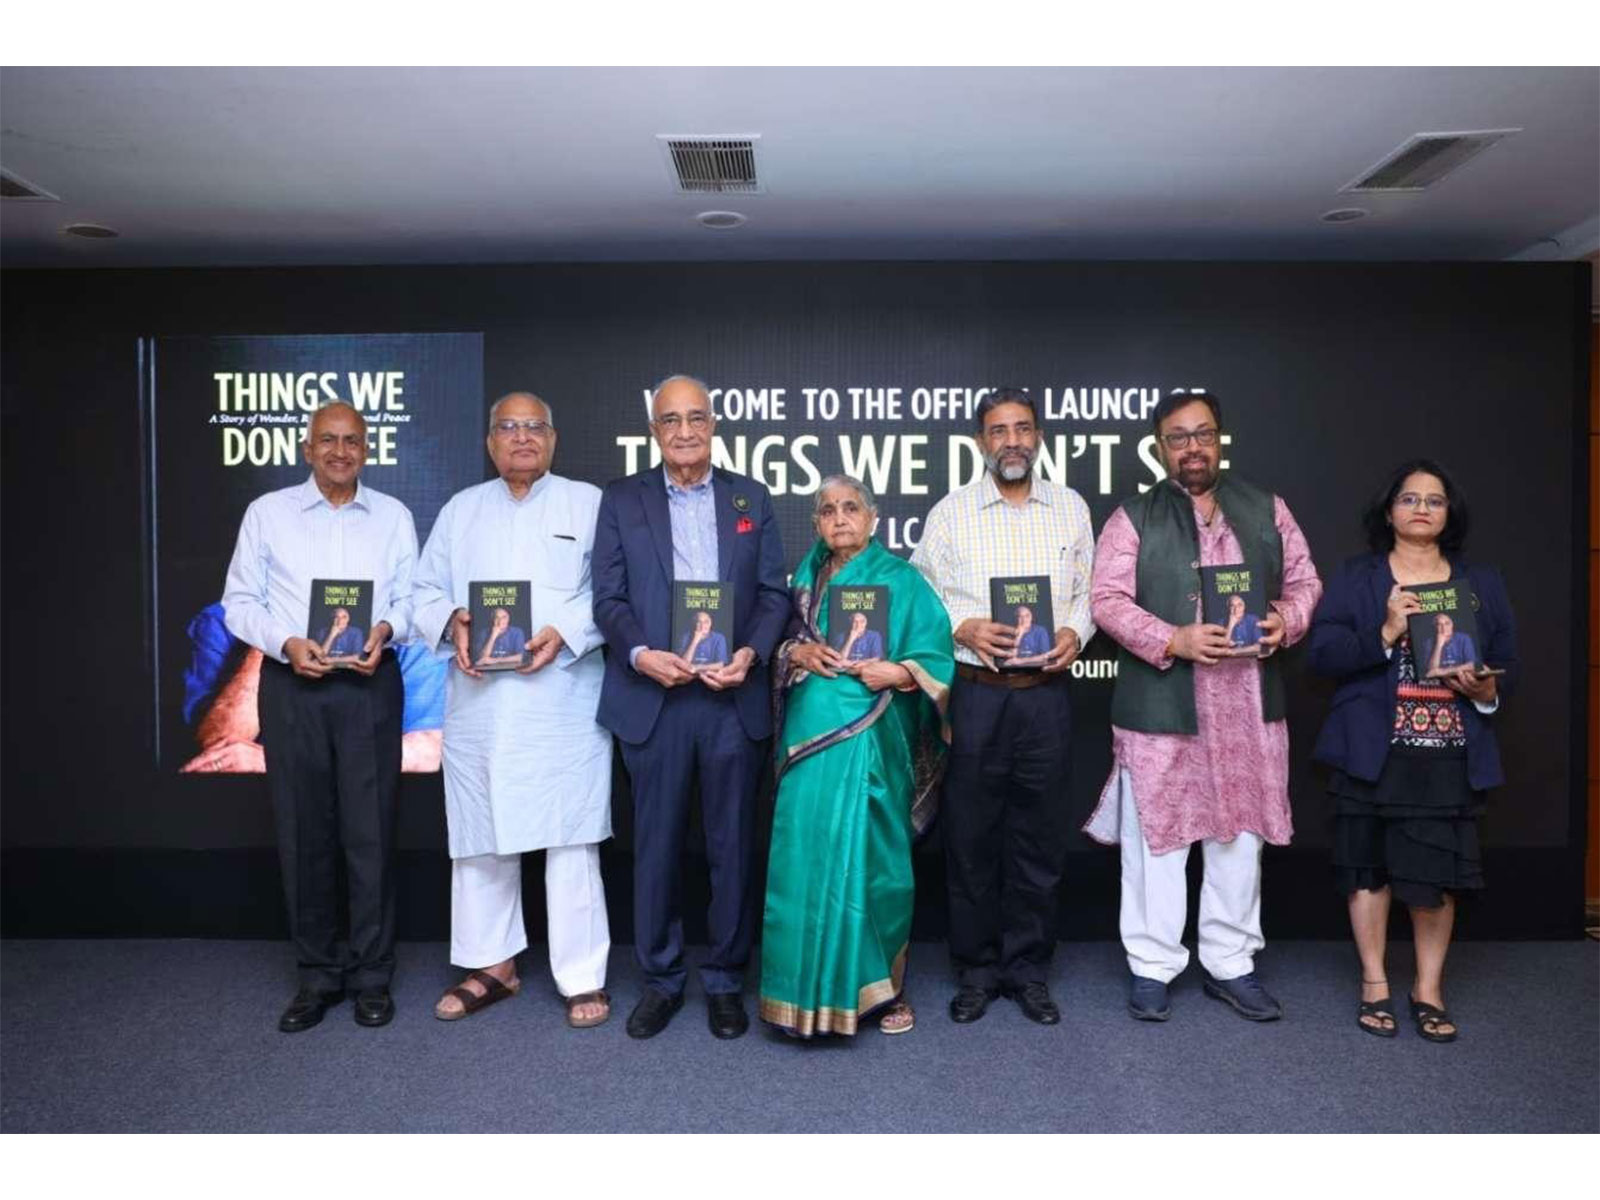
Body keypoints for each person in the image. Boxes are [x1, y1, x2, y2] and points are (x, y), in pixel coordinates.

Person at [1085, 389, 1323, 1023]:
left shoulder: (1267, 507)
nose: (1193, 447)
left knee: (1239, 839)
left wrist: (1284, 621)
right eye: (1178, 437)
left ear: (1221, 438)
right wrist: (1173, 638)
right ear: (1160, 448)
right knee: (1156, 843)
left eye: (1203, 434)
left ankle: (1230, 963)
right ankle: (1153, 966)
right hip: (1162, 703)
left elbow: (1304, 580)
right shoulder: (1131, 517)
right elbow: (1106, 600)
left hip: (1247, 703)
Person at [593, 374, 790, 1040]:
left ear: (713, 425)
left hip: (731, 700)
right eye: (670, 420)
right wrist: (642, 652)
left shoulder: (750, 497)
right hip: (656, 695)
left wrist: (752, 655)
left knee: (732, 848)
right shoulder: (622, 501)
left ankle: (727, 980)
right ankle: (662, 979)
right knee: (656, 847)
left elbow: (772, 596)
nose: (684, 430)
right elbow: (608, 601)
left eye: (696, 418)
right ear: (654, 430)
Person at [412, 392, 613, 1029]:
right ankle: (490, 965)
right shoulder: (459, 510)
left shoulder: (588, 503)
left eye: (534, 428)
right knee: (480, 836)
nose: (522, 438)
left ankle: (582, 976)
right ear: (490, 442)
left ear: (553, 440)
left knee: (571, 839)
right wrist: (454, 622)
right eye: (508, 428)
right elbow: (422, 591)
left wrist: (564, 629)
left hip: (563, 699)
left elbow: (612, 592)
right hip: (482, 701)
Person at [220, 401, 417, 1032]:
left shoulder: (394, 516)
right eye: (328, 441)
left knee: (372, 833)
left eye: (352, 441)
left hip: (368, 684)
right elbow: (238, 603)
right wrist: (285, 643)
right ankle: (317, 975)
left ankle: (372, 976)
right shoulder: (267, 514)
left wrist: (385, 628)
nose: (340, 451)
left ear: (367, 449)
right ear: (307, 449)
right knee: (304, 833)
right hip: (293, 685)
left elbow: (412, 601)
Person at [1308, 459, 1516, 1042]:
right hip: (1373, 748)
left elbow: (1510, 660)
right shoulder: (1358, 577)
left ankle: (1428, 987)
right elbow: (1322, 654)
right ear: (1389, 510)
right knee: (1367, 871)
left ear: (1450, 514)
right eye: (1409, 498)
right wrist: (1384, 632)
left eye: (1435, 500)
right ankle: (1374, 981)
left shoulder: (1482, 581)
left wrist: (1488, 686)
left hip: (1447, 749)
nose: (1422, 508)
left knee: (1435, 877)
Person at [910, 385, 1095, 1026]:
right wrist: (961, 624)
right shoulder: (951, 513)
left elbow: (1087, 593)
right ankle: (978, 969)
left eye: (1022, 428)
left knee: (1040, 840)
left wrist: (1076, 631)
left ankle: (1029, 970)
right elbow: (920, 593)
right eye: (998, 430)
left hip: (1045, 699)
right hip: (978, 697)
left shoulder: (1070, 508)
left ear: (1038, 437)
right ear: (979, 442)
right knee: (971, 839)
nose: (1011, 440)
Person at [760, 476, 953, 1037]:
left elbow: (935, 652)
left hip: (873, 734)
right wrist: (795, 651)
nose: (839, 518)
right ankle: (795, 995)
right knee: (802, 858)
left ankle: (882, 991)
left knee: (875, 861)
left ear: (872, 518)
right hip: (807, 739)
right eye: (827, 510)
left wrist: (901, 671)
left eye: (850, 508)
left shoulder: (901, 580)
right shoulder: (801, 581)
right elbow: (777, 641)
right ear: (816, 523)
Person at [1420, 611, 1478, 677]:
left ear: (1452, 624)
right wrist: (1439, 645)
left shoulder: (1464, 638)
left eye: (1447, 623)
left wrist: (1442, 672)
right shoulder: (1428, 642)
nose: (1444, 628)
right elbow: (1430, 672)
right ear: (1435, 627)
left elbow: (1472, 665)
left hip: (1462, 678)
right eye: (1439, 624)